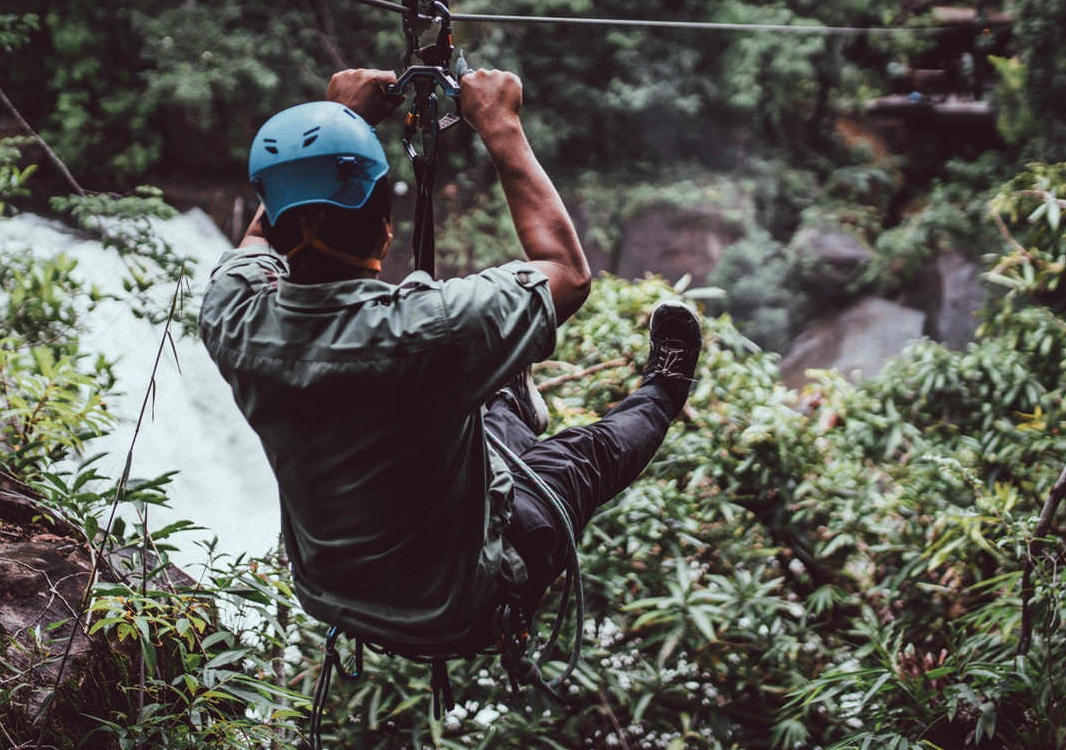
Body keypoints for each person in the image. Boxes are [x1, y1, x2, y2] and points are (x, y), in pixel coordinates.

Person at [199, 66, 701, 662]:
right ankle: (665, 390)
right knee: (582, 459)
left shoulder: (233, 316)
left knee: (463, 405)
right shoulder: (427, 330)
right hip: (463, 607)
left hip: (331, 592)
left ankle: (505, 390)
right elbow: (566, 272)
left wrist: (339, 124)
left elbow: (258, 244)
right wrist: (500, 124)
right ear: (387, 233)